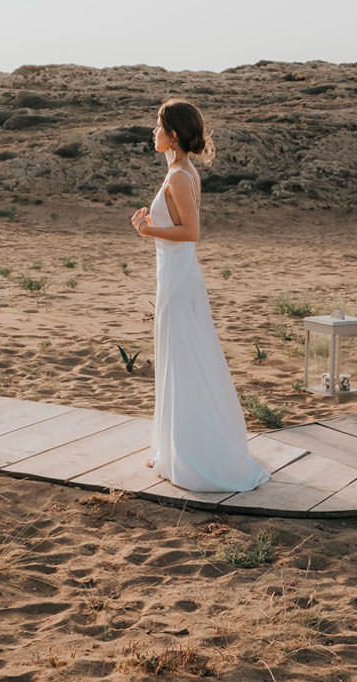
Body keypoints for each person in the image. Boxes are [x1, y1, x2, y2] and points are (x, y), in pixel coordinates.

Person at [130, 99, 269, 493]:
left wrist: (147, 231)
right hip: (175, 275)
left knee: (185, 358)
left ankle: (193, 455)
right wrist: (153, 224)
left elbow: (190, 233)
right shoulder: (180, 171)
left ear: (172, 135)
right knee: (181, 357)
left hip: (179, 277)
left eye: (158, 126)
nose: (153, 133)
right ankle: (176, 447)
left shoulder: (178, 176)